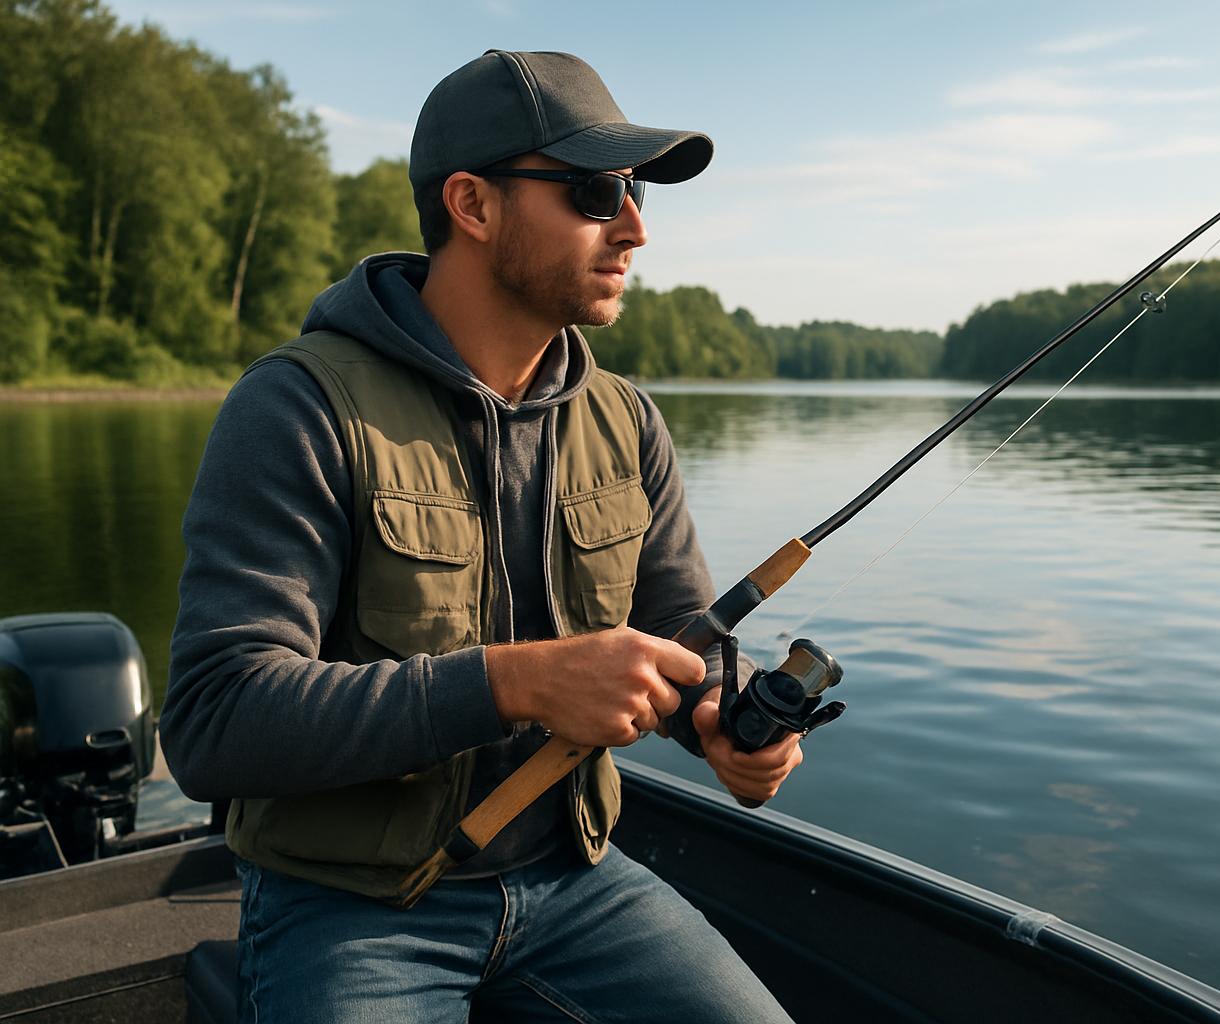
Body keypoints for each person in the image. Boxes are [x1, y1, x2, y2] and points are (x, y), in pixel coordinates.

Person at [162, 50, 801, 1022]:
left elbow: (681, 627)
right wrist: (519, 681)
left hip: (579, 880)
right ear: (472, 204)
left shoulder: (625, 420)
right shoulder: (296, 408)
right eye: (596, 191)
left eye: (633, 192)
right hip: (347, 904)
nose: (635, 226)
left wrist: (723, 723)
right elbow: (214, 724)